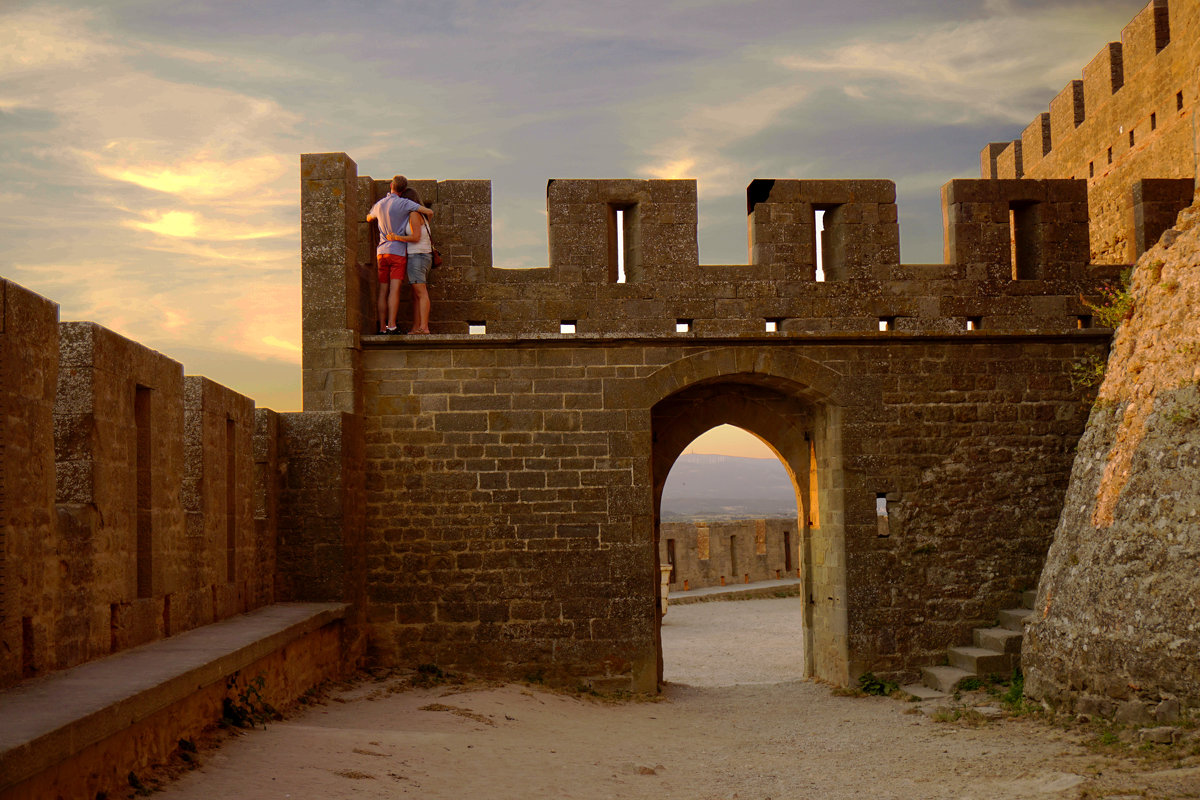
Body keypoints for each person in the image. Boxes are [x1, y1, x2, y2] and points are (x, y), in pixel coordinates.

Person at [366, 176, 433, 334]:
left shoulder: (380, 204)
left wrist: (379, 218)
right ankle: (391, 326)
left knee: (383, 290)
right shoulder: (405, 204)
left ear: (391, 185)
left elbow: (368, 217)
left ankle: (382, 327)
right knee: (394, 290)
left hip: (381, 252)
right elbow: (428, 211)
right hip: (397, 252)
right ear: (403, 190)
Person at [386, 187, 434, 334]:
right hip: (423, 255)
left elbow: (415, 237)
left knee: (421, 292)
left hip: (417, 256)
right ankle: (417, 327)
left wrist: (396, 237)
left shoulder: (414, 214)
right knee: (416, 294)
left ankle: (424, 327)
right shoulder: (423, 215)